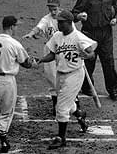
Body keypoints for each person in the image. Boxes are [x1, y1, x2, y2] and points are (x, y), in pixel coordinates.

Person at [37, 10, 97, 149]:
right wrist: (41, 60)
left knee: (61, 107)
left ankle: (61, 138)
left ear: (69, 22)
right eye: (58, 21)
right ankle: (80, 114)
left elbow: (92, 53)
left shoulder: (78, 37)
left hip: (75, 75)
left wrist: (87, 55)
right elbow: (52, 54)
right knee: (67, 103)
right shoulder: (57, 36)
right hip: (60, 73)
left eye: (61, 22)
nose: (58, 24)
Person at [0, 16, 37, 154]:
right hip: (6, 82)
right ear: (12, 27)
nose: (17, 28)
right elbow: (26, 62)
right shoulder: (14, 44)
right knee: (6, 114)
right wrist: (33, 64)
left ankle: (4, 142)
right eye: (16, 26)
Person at [22, 0, 76, 116]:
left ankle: (76, 104)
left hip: (66, 51)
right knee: (52, 78)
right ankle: (56, 104)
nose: (53, 12)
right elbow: (39, 27)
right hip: (51, 50)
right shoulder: (46, 19)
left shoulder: (66, 18)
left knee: (68, 77)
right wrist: (31, 34)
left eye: (55, 9)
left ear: (59, 7)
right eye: (51, 9)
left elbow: (74, 34)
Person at [71, 0, 117, 101]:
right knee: (88, 62)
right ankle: (87, 87)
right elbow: (73, 13)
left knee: (108, 62)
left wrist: (115, 19)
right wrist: (79, 17)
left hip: (106, 33)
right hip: (89, 34)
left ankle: (113, 89)